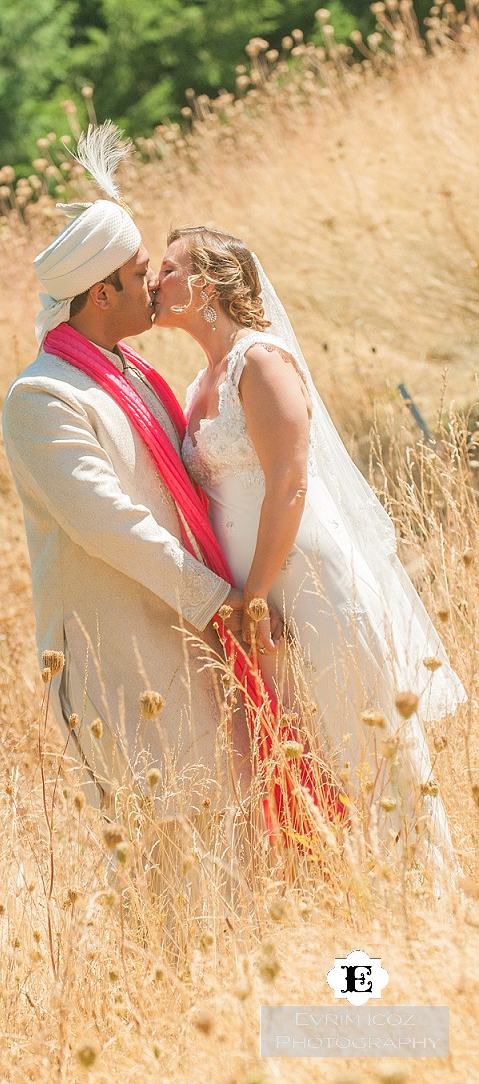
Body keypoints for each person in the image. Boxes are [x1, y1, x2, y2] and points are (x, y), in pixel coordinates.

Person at [152, 225, 466, 873]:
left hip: (309, 580)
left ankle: (425, 896)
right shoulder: (197, 381)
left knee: (368, 746)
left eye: (169, 269)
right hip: (257, 596)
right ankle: (356, 901)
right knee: (312, 750)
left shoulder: (260, 361)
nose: (155, 283)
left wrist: (259, 593)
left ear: (206, 285)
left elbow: (289, 483)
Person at [1, 141, 257, 824]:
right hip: (120, 658)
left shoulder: (132, 370)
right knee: (164, 847)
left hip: (183, 634)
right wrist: (220, 598)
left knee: (228, 830)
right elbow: (108, 521)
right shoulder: (42, 399)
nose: (155, 284)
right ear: (102, 292)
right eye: (142, 272)